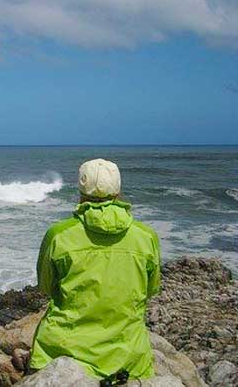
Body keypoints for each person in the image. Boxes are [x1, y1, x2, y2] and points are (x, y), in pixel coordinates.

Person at [29, 159, 161, 384]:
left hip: (63, 350)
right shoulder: (146, 236)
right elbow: (150, 289)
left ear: (80, 189)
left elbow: (46, 286)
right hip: (128, 355)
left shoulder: (59, 235)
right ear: (118, 190)